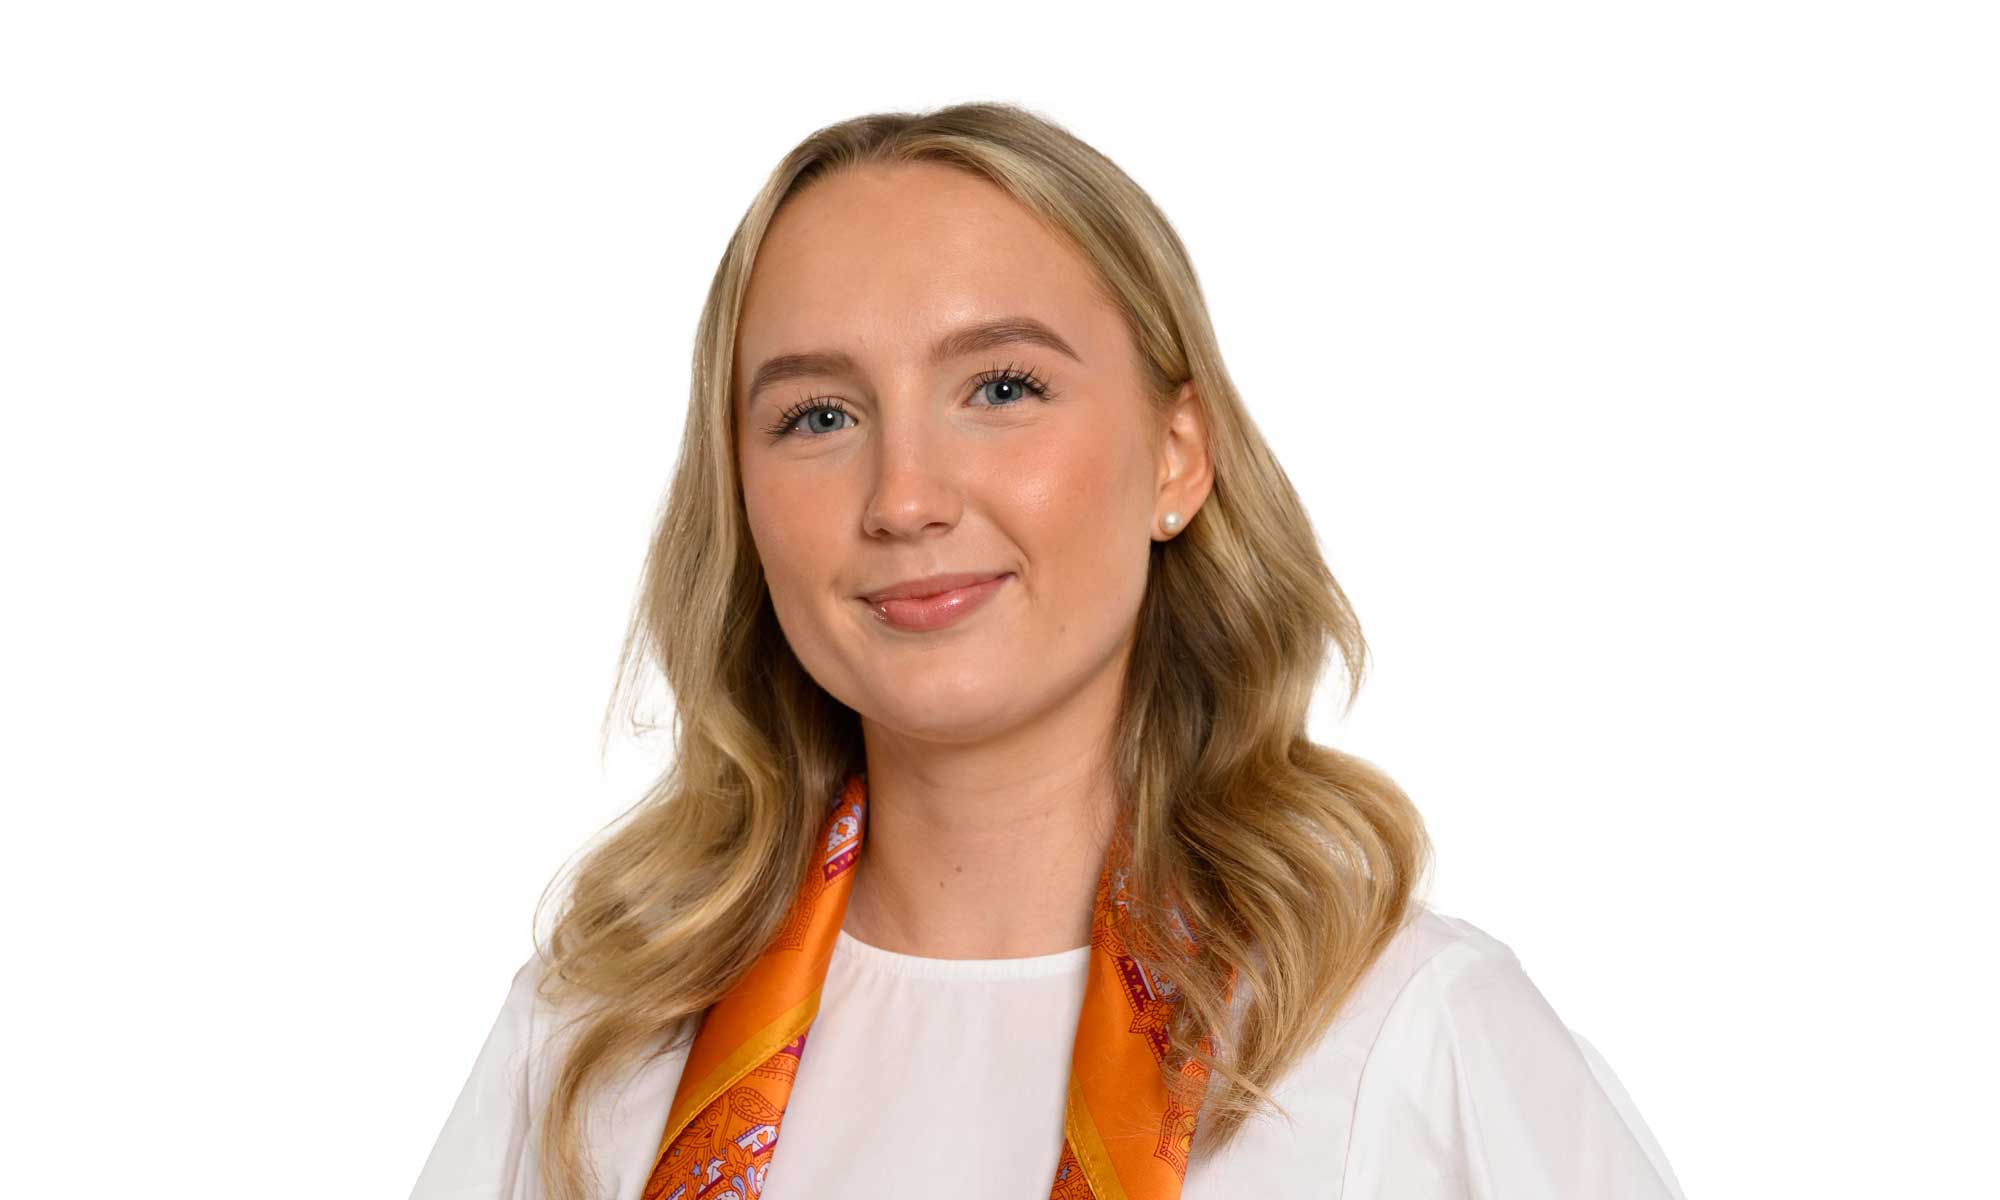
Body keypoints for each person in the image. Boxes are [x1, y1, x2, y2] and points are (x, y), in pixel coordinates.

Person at [409, 101, 1685, 1200]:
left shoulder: (1404, 1038)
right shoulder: (593, 1043)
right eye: (816, 414)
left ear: (1176, 457)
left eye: (1001, 388)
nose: (903, 495)